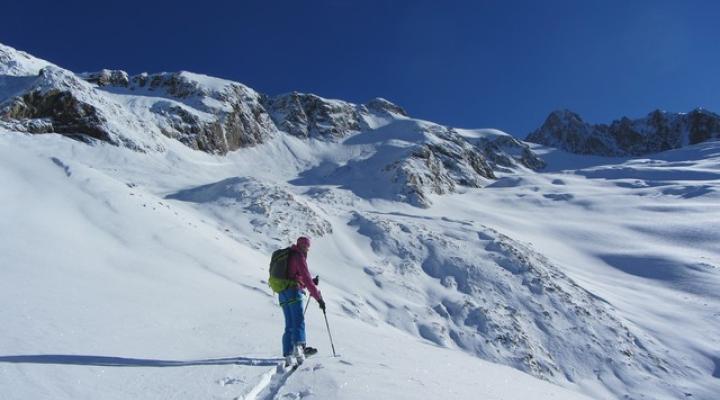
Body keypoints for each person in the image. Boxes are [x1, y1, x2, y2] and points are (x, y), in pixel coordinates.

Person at [279, 236, 325, 366]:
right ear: (301, 246)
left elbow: (294, 277)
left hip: (282, 294)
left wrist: (307, 283)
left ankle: (287, 354)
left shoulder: (289, 255)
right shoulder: (298, 256)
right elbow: (305, 277)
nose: (307, 249)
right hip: (294, 293)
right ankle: (299, 350)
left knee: (289, 324)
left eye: (307, 247)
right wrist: (319, 298)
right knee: (298, 321)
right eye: (306, 246)